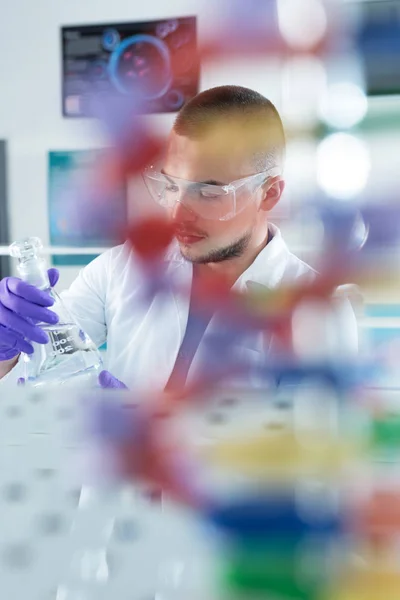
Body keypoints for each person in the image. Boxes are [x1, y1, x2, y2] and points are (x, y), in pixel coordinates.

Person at [0, 85, 358, 391]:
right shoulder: (120, 269)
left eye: (209, 192)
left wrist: (160, 440)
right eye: (171, 186)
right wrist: (7, 341)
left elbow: (322, 457)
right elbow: (34, 372)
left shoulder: (315, 309)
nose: (177, 213)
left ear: (269, 194)